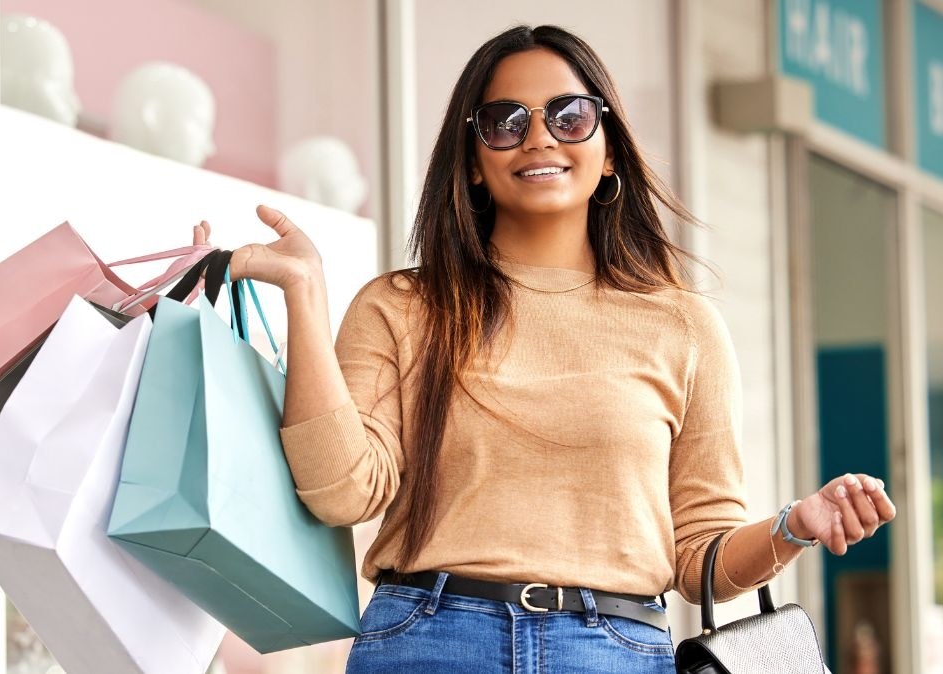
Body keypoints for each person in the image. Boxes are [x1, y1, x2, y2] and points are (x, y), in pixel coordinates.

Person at [223, 24, 896, 673]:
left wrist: (794, 525)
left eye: (569, 116)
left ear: (608, 153)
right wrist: (305, 297)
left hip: (615, 652)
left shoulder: (683, 326)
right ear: (475, 164)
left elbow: (699, 558)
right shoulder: (402, 306)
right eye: (505, 121)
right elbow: (341, 494)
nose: (538, 136)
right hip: (430, 642)